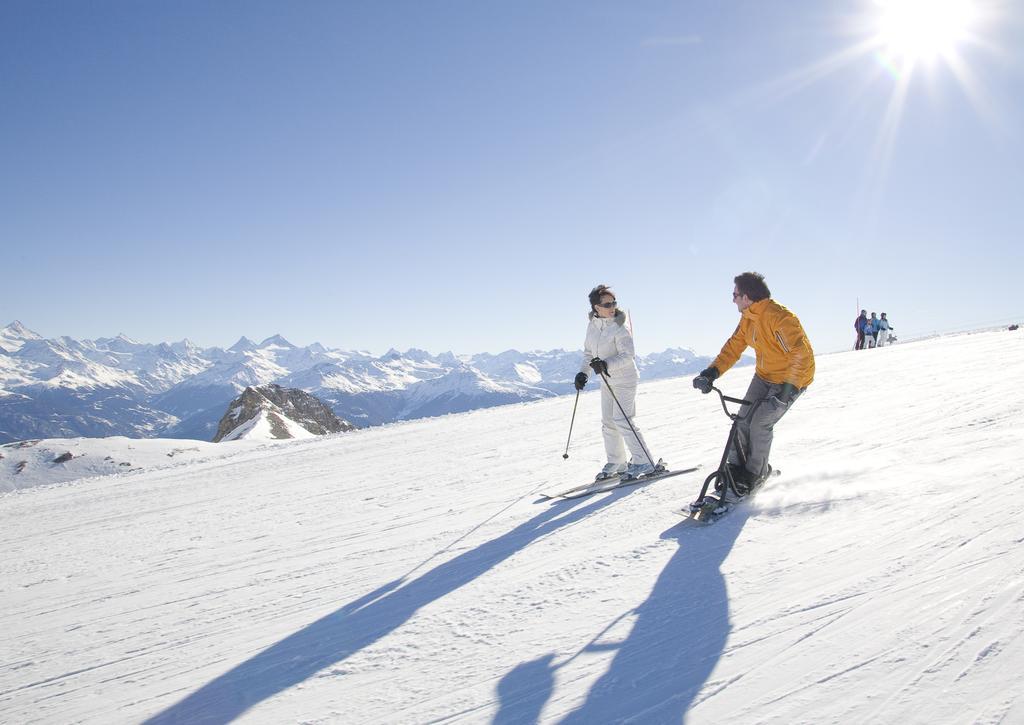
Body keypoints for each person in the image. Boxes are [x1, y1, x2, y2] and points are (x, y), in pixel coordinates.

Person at [692, 272, 815, 497]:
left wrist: (788, 389)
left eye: (735, 295)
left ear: (746, 297)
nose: (733, 299)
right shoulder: (749, 317)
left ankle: (755, 474)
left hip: (790, 380)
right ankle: (736, 468)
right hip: (764, 375)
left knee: (760, 423)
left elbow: (801, 355)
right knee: (742, 420)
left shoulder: (780, 318)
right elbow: (734, 347)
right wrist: (711, 372)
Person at [574, 285, 655, 480]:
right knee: (608, 422)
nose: (612, 307)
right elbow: (588, 353)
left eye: (614, 303)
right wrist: (583, 373)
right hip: (606, 381)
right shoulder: (592, 326)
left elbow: (628, 355)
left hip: (625, 379)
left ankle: (644, 461)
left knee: (622, 420)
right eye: (607, 304)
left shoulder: (619, 326)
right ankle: (617, 461)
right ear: (596, 307)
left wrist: (605, 364)